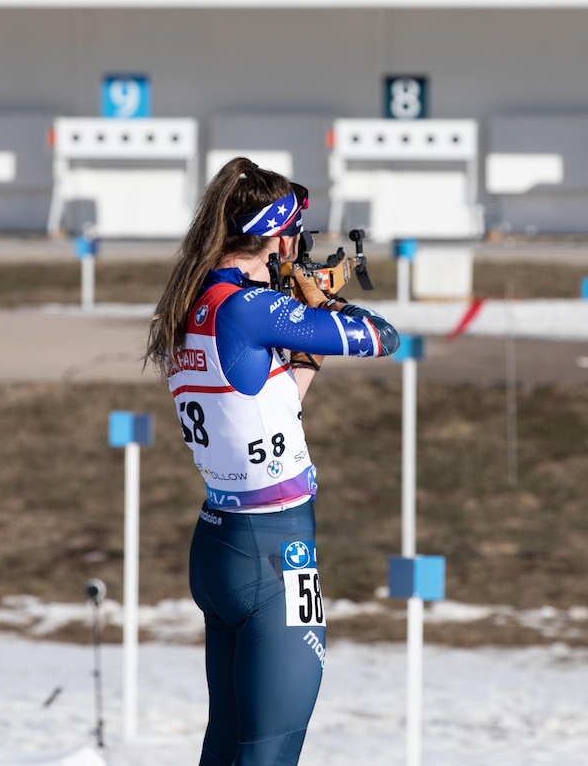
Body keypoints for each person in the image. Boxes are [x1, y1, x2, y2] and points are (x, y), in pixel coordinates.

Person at [145, 157, 400, 766]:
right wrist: (322, 306)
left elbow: (276, 402)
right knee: (270, 752)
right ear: (275, 235)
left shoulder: (194, 302)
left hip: (223, 542)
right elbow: (384, 337)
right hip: (276, 550)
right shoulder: (249, 309)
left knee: (225, 748)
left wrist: (300, 315)